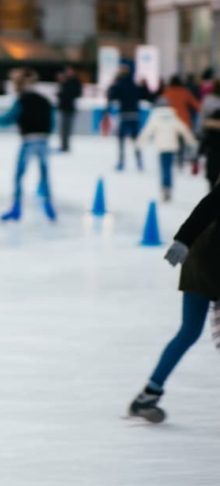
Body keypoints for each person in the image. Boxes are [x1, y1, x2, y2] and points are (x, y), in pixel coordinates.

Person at [128, 181, 220, 423]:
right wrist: (183, 240)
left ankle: (149, 394)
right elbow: (210, 204)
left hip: (201, 255)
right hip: (207, 259)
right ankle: (149, 394)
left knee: (189, 331)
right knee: (189, 330)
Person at [0, 69, 56, 222]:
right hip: (43, 140)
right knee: (44, 174)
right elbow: (52, 120)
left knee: (19, 175)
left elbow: (10, 117)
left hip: (29, 140)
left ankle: (16, 208)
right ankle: (49, 207)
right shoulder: (44, 100)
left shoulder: (22, 100)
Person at [137, 99, 198, 202]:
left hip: (162, 146)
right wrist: (191, 141)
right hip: (172, 146)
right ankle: (168, 187)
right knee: (169, 168)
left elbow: (147, 130)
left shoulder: (155, 116)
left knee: (164, 168)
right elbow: (183, 129)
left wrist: (139, 142)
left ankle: (165, 187)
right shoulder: (172, 116)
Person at [108, 65, 145, 172]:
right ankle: (139, 161)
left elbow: (111, 95)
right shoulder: (134, 85)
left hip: (124, 114)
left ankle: (121, 162)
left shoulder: (120, 84)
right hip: (134, 114)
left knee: (121, 140)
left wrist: (114, 83)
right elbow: (143, 94)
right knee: (136, 139)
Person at [161, 75, 201, 169]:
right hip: (184, 120)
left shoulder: (167, 92)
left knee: (171, 141)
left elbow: (161, 105)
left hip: (171, 121)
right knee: (182, 142)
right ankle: (180, 160)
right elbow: (196, 104)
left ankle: (173, 159)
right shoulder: (184, 92)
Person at [56, 66, 81, 153]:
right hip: (64, 108)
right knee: (63, 129)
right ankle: (63, 145)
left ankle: (65, 146)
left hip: (69, 108)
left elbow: (76, 93)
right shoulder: (64, 82)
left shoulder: (74, 82)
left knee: (67, 129)